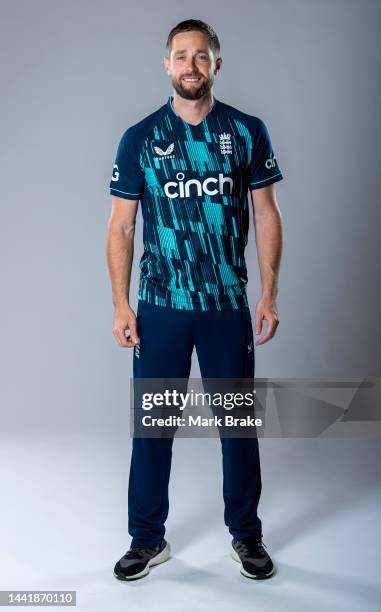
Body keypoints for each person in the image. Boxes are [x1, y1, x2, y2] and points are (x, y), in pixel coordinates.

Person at [106, 18, 283, 581]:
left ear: (217, 65)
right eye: (181, 55)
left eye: (201, 56)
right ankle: (146, 539)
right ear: (167, 65)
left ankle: (246, 536)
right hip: (160, 307)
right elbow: (121, 228)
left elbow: (266, 213)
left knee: (237, 426)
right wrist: (120, 304)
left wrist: (269, 294)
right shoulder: (140, 138)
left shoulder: (247, 131)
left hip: (226, 306)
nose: (191, 65)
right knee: (153, 427)